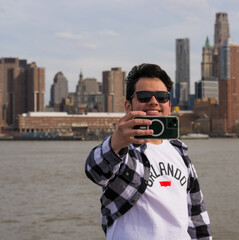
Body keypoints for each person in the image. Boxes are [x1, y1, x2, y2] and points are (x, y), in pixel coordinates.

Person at [85, 63, 212, 240]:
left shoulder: (181, 154)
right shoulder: (122, 150)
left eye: (161, 97)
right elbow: (96, 171)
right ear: (128, 106)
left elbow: (197, 219)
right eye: (144, 97)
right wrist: (116, 143)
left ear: (169, 104)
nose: (154, 102)